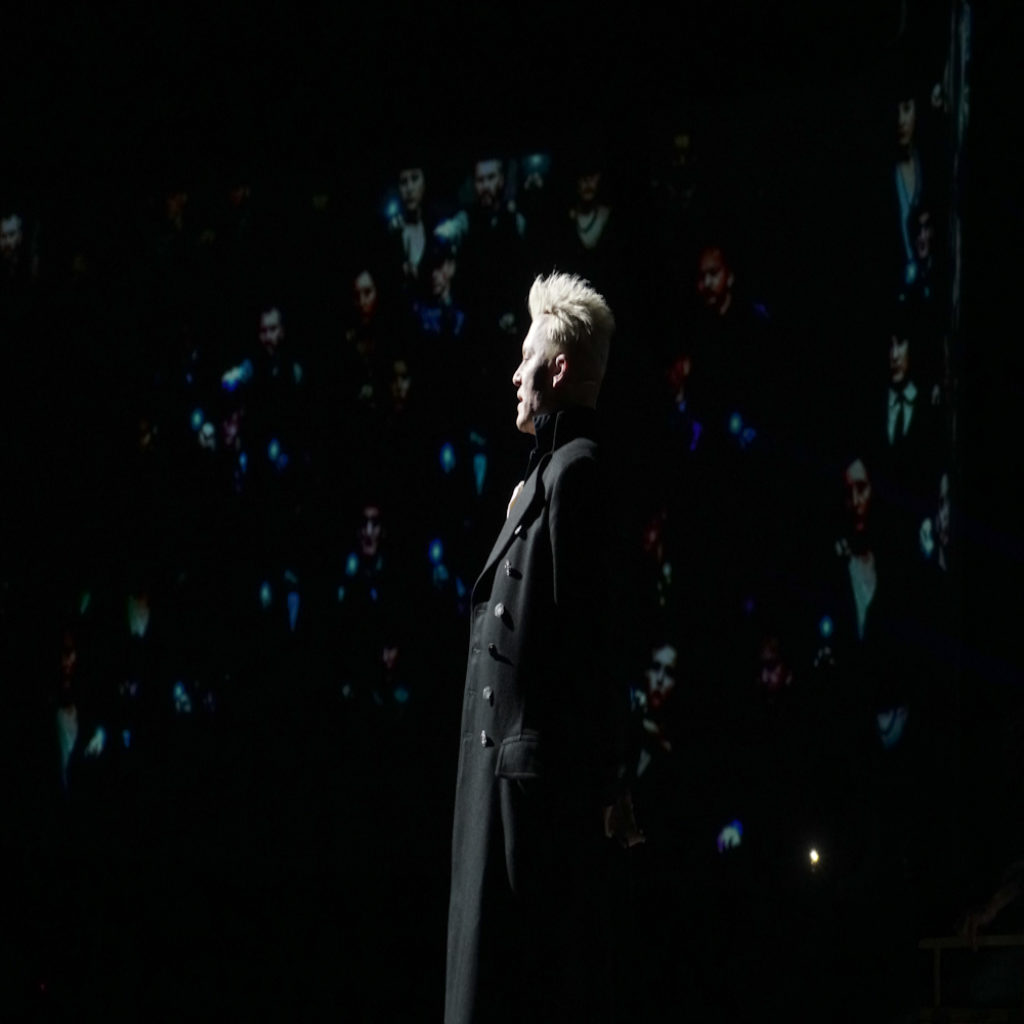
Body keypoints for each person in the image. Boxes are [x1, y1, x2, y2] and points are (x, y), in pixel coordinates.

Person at [444, 273, 640, 1023]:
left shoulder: (576, 472)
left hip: (528, 804)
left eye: (526, 357)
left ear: (558, 369)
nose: (514, 372)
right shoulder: (546, 477)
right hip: (504, 788)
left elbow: (595, 643)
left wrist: (610, 781)